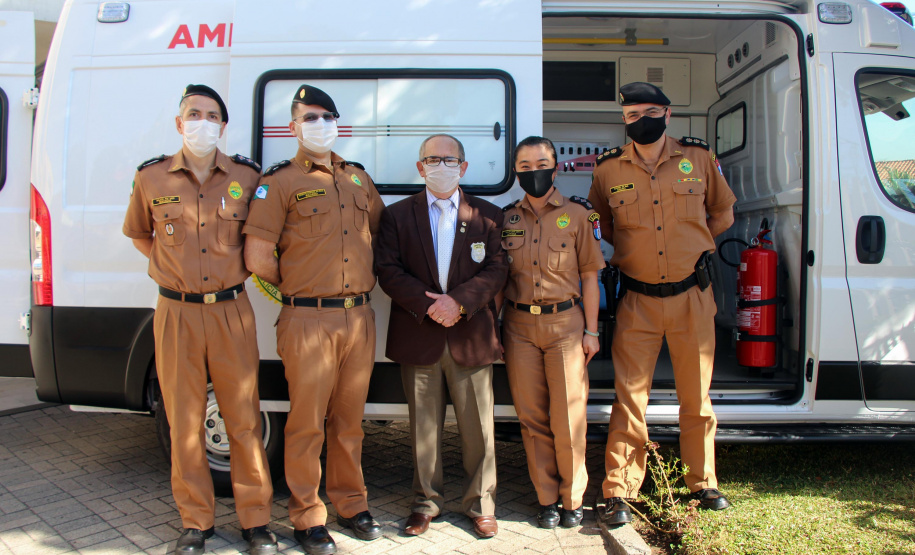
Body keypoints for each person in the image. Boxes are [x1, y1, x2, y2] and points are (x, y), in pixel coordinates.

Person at [122, 84, 277, 555]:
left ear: (223, 126)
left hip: (232, 310)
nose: (202, 122)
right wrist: (172, 273)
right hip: (176, 312)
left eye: (212, 115)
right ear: (178, 122)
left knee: (244, 418)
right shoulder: (151, 178)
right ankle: (196, 522)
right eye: (194, 113)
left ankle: (256, 521)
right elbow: (139, 235)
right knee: (184, 420)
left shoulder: (248, 177)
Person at [242, 85, 384, 555]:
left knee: (349, 422)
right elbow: (259, 255)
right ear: (293, 126)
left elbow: (380, 236)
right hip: (308, 321)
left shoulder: (358, 179)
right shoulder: (278, 182)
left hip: (359, 319)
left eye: (327, 116)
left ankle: (351, 503)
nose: (319, 124)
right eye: (310, 117)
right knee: (306, 425)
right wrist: (302, 287)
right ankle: (307, 516)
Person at [587, 82, 737, 525]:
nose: (642, 121)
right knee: (630, 399)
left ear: (668, 115)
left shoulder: (698, 160)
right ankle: (619, 489)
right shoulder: (608, 170)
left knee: (696, 396)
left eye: (650, 112)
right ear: (624, 121)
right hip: (637, 299)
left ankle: (703, 482)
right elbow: (602, 224)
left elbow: (724, 212)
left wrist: (695, 244)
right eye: (632, 116)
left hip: (693, 295)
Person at [374, 134, 507, 539]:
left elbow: (498, 269)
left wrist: (458, 303)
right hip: (420, 333)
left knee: (479, 430)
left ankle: (480, 505)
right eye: (433, 159)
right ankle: (425, 503)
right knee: (423, 430)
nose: (441, 166)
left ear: (463, 168)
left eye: (450, 160)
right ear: (420, 168)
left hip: (470, 335)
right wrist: (432, 305)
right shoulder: (396, 215)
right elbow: (388, 269)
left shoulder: (488, 215)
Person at [500, 136, 605, 529]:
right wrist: (494, 330)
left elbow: (591, 278)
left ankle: (572, 499)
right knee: (531, 417)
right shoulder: (505, 218)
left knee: (568, 417)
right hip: (518, 328)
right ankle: (546, 498)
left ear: (556, 167)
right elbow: (497, 281)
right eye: (525, 167)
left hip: (566, 326)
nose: (533, 172)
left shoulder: (580, 216)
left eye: (540, 164)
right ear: (516, 173)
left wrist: (592, 332)